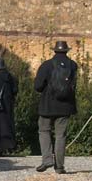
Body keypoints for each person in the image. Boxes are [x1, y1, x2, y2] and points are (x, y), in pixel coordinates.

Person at [34, 40, 78, 174]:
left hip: (48, 105)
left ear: (55, 50)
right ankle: (59, 166)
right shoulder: (73, 65)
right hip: (65, 105)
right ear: (66, 51)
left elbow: (38, 86)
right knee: (61, 135)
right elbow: (73, 86)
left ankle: (47, 159)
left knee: (44, 131)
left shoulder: (47, 65)